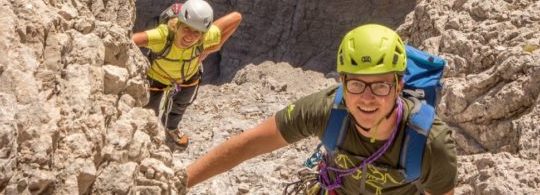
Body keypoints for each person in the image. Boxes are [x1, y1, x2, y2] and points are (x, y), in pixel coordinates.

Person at [186, 24, 457, 194]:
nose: (367, 98)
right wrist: (179, 183)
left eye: (380, 86)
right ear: (342, 82)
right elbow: (249, 145)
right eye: (356, 85)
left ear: (399, 86)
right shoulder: (328, 111)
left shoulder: (431, 142)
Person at [132, 0, 242, 148]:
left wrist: (213, 47)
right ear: (178, 25)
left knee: (181, 104)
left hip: (188, 76)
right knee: (149, 111)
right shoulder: (163, 36)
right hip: (157, 77)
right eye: (186, 29)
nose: (190, 36)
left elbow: (236, 17)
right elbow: (130, 40)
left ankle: (171, 128)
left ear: (203, 34)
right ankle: (147, 135)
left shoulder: (203, 38)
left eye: (196, 32)